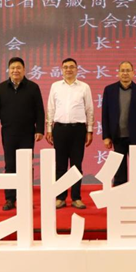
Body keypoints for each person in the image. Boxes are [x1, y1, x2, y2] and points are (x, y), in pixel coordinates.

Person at [0, 57, 45, 211]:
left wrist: (39, 129)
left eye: (18, 68)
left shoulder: (33, 87)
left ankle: (25, 198)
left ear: (24, 70)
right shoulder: (1, 88)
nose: (15, 70)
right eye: (13, 68)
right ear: (9, 70)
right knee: (10, 165)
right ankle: (10, 198)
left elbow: (39, 110)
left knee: (26, 166)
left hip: (27, 133)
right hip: (8, 133)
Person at [45, 58, 94, 210]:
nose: (69, 69)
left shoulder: (84, 87)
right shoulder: (55, 86)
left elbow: (89, 109)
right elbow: (51, 108)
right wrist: (49, 128)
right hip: (60, 129)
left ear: (77, 69)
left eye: (72, 67)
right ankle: (60, 197)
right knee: (60, 165)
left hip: (78, 130)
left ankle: (76, 198)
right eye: (65, 67)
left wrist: (89, 130)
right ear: (61, 69)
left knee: (76, 165)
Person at [101, 61, 136, 186]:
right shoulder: (109, 90)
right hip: (117, 136)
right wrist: (106, 136)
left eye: (128, 70)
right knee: (119, 170)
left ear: (133, 73)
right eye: (122, 70)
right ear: (118, 73)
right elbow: (105, 115)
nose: (125, 73)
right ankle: (119, 193)